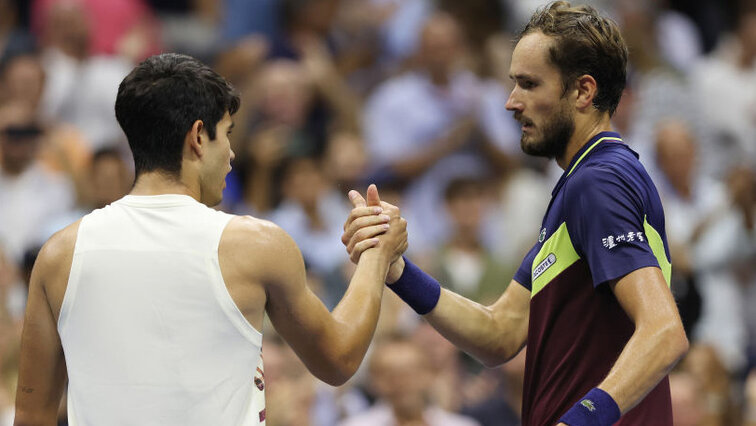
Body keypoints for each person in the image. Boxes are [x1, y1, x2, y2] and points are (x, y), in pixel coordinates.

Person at [13, 53, 407, 425]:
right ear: (198, 137)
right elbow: (337, 360)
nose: (232, 154)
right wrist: (376, 253)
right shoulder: (257, 245)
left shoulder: (59, 253)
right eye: (226, 135)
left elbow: (32, 417)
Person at [343, 2, 689, 425]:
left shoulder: (598, 182)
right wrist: (397, 269)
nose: (511, 102)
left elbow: (664, 331)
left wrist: (575, 421)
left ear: (583, 91)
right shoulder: (582, 183)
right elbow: (500, 333)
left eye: (529, 84)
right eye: (514, 84)